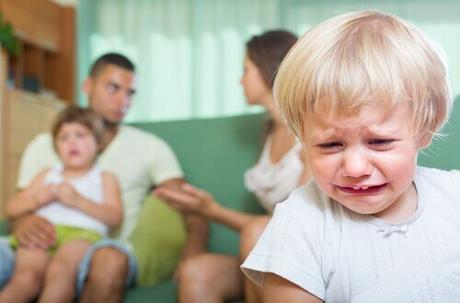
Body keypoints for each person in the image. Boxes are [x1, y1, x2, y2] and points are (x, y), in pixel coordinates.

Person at [241, 10, 460, 303]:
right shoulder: (299, 223)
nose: (355, 168)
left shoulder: (453, 198)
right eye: (330, 145)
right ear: (302, 139)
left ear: (424, 130)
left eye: (379, 141)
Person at [0, 53, 208, 302]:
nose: (123, 101)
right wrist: (24, 223)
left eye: (131, 93)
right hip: (37, 246)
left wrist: (192, 252)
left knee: (108, 260)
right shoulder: (43, 146)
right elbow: (17, 206)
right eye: (113, 88)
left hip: (99, 244)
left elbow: (190, 204)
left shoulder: (150, 147)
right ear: (88, 86)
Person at [155, 30, 310, 303]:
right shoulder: (270, 133)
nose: (240, 80)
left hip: (304, 255)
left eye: (245, 70)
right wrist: (201, 208)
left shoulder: (310, 134)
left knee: (255, 232)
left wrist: (210, 210)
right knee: (197, 271)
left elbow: (298, 225)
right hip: (267, 252)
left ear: (268, 68)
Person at [0, 106, 123, 302]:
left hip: (81, 235)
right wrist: (36, 199)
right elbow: (12, 207)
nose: (72, 142)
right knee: (25, 278)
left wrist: (79, 201)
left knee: (61, 273)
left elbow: (115, 217)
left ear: (98, 143)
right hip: (41, 233)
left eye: (81, 135)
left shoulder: (104, 177)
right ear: (56, 147)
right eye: (64, 138)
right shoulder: (47, 175)